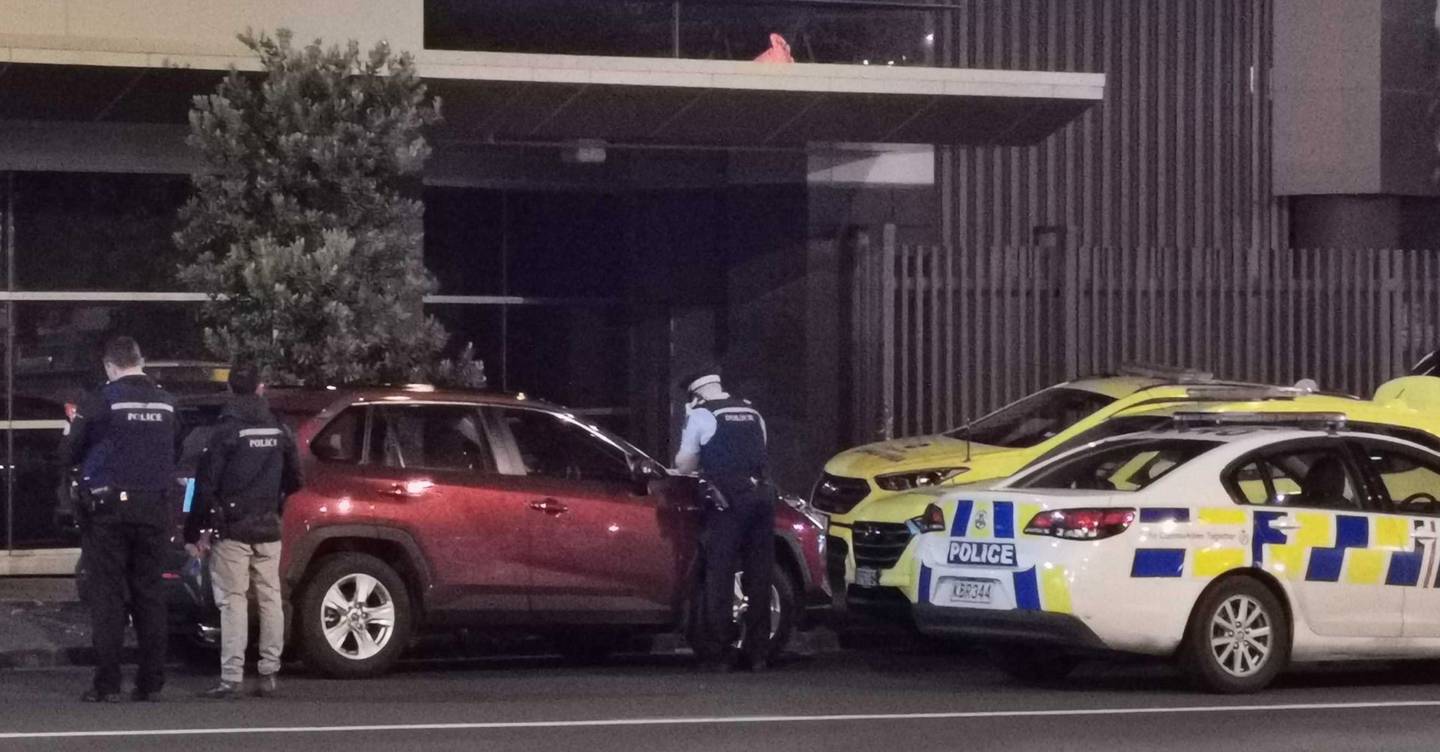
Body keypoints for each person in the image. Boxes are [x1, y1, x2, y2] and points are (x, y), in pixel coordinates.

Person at [59, 337, 177, 703]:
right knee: (150, 594)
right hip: (156, 509)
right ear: (141, 361)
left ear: (110, 366)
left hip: (108, 512)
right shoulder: (169, 403)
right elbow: (177, 446)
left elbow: (70, 450)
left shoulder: (102, 399)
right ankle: (151, 683)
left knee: (108, 596)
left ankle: (107, 683)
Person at [184, 364, 302, 699]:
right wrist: (274, 503)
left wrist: (194, 533)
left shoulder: (226, 431)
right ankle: (269, 673)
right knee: (270, 598)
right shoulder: (280, 427)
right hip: (268, 525)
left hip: (233, 529)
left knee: (233, 601)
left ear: (231, 390)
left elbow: (206, 486)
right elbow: (296, 478)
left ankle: (231, 676)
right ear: (260, 388)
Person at [674, 369, 775, 672]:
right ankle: (758, 653)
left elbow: (685, 463)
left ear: (696, 394)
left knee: (720, 574)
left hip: (727, 501)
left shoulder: (702, 415)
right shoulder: (752, 410)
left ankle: (720, 652)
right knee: (759, 575)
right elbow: (761, 452)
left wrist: (689, 422)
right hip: (762, 497)